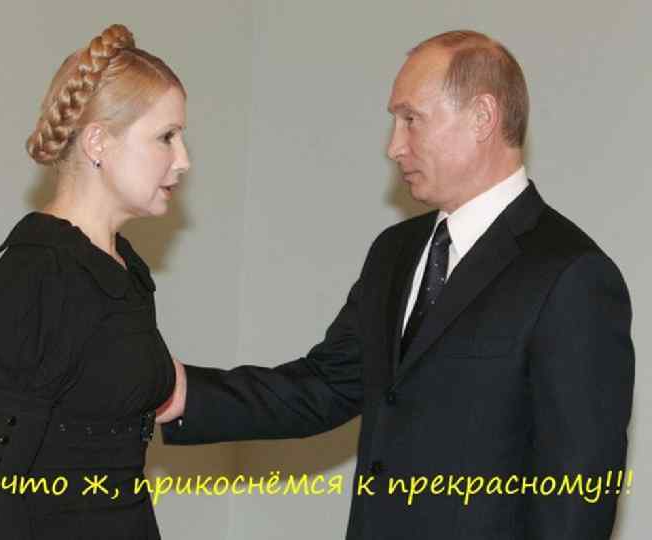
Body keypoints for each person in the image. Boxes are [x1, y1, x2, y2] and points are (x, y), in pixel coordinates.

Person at [157, 30, 635, 539]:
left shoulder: (571, 275)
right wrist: (177, 389)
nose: (393, 147)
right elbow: (325, 385)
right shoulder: (396, 251)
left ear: (482, 117)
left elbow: (577, 500)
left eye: (411, 119)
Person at [0, 24, 189, 540]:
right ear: (98, 142)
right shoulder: (36, 278)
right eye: (166, 137)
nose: (183, 160)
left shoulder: (122, 268)